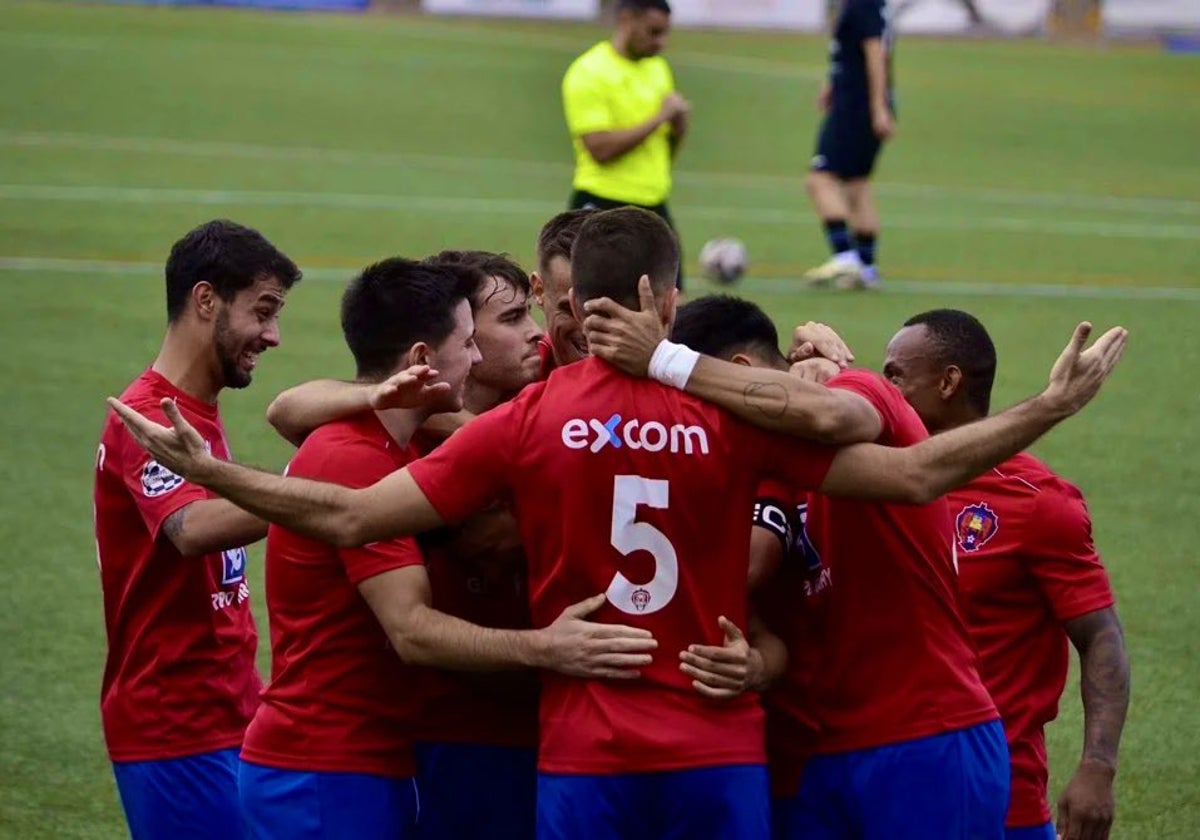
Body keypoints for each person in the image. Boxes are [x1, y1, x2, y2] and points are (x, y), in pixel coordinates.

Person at [108, 208, 1125, 840]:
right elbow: (909, 474)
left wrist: (223, 476)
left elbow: (349, 509)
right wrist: (1046, 409)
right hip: (715, 751)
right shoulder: (728, 412)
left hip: (583, 753)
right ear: (660, 297)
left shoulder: (529, 417)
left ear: (575, 304)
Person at [669, 295, 1008, 839]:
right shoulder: (736, 459)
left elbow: (830, 418)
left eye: (690, 396)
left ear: (736, 375)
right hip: (817, 753)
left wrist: (667, 363)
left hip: (924, 735)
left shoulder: (861, 388)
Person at [265, 251, 547, 840]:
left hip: (398, 748)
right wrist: (555, 649)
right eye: (511, 319)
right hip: (388, 745)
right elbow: (288, 410)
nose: (543, 334)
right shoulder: (373, 447)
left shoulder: (523, 401)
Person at [882, 309, 1130, 840]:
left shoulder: (1036, 501)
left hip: (997, 794)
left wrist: (1097, 767)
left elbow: (1101, 635)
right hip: (876, 779)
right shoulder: (874, 478)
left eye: (896, 375)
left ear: (949, 382)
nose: (883, 390)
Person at [92, 219, 301, 839]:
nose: (274, 335)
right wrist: (312, 483)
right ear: (205, 300)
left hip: (228, 709)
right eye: (263, 312)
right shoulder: (147, 415)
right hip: (174, 727)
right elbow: (190, 527)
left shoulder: (197, 413)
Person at [562, 0, 687, 289]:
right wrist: (659, 118)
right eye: (654, 32)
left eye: (666, 33)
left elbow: (666, 152)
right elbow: (600, 149)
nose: (661, 42)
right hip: (602, 205)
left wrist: (679, 127)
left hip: (654, 205)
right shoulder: (589, 72)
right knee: (596, 304)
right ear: (627, 20)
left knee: (671, 305)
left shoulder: (658, 68)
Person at [802, 0, 895, 290]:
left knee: (819, 180)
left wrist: (878, 106)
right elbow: (857, 53)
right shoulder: (872, 6)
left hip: (855, 108)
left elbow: (875, 53)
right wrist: (832, 85)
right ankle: (867, 268)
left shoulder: (861, 6)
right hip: (857, 105)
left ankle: (845, 257)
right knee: (857, 184)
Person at [530, 210, 594, 375]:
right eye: (570, 310)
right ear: (539, 290)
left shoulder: (662, 375)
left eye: (603, 311)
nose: (586, 329)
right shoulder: (515, 384)